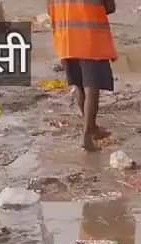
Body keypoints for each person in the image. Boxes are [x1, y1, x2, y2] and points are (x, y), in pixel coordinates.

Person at [47, 0, 118, 151]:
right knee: (92, 86)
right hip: (89, 39)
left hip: (65, 39)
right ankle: (87, 134)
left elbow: (50, 9)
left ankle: (92, 127)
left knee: (79, 84)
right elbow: (110, 8)